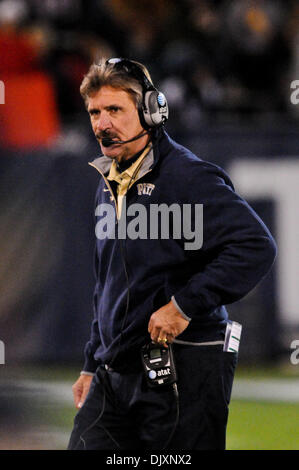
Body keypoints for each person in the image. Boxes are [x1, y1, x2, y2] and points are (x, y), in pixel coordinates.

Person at [67, 58, 276, 450]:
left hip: (185, 364)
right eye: (95, 112)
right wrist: (92, 362)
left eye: (114, 109)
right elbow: (107, 283)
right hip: (116, 371)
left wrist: (182, 306)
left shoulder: (188, 176)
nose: (102, 123)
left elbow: (256, 245)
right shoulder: (108, 179)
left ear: (150, 111)